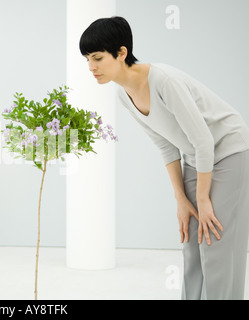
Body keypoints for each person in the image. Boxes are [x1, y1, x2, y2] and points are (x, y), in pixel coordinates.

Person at [79, 16, 249, 300]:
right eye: (87, 59)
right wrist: (181, 199)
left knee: (214, 240)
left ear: (121, 53)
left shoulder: (163, 80)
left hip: (228, 150)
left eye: (97, 58)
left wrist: (204, 199)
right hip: (197, 157)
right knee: (191, 243)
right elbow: (166, 145)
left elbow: (205, 140)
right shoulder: (124, 94)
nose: (91, 67)